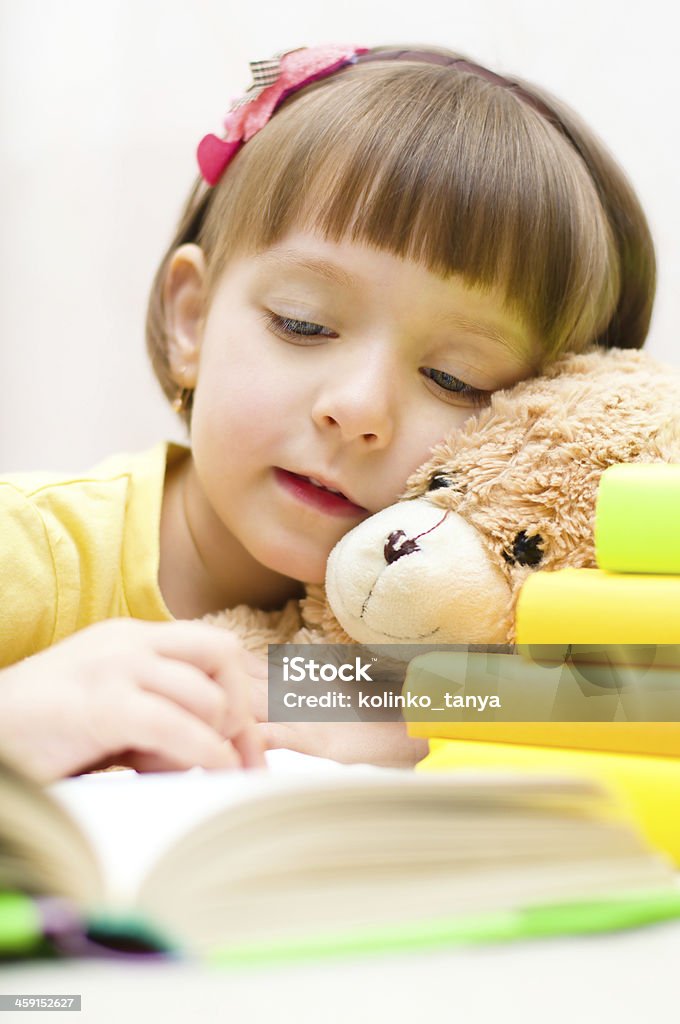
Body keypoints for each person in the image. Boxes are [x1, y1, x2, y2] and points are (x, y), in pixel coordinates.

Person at [0, 43, 655, 778]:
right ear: (193, 320)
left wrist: (414, 724)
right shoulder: (35, 554)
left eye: (454, 377)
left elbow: (647, 701)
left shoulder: (474, 610)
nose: (357, 408)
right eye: (302, 324)